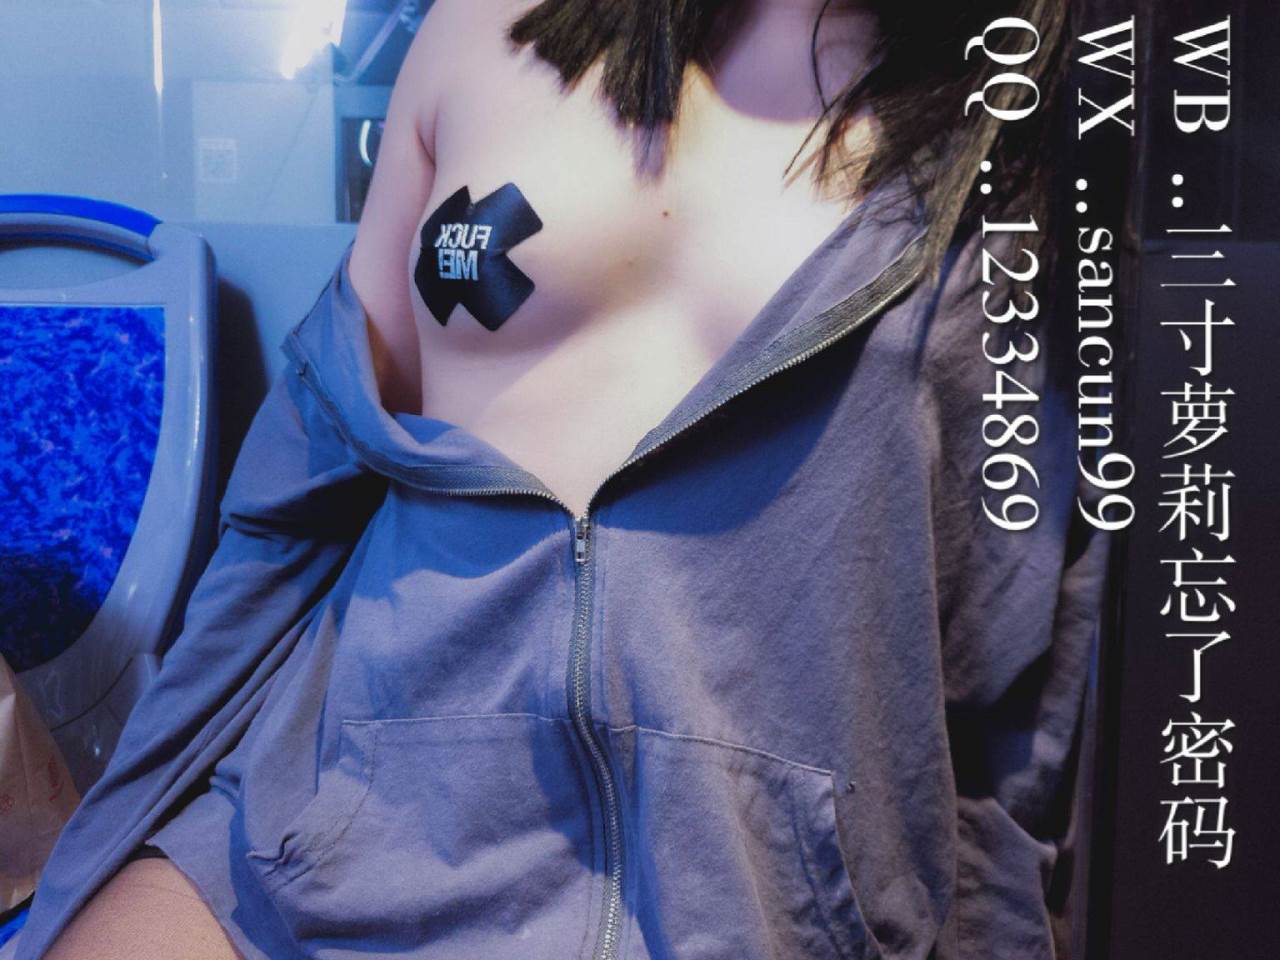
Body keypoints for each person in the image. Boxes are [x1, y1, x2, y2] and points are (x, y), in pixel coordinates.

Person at [14, 1, 1107, 959]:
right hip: (335, 825)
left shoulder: (1029, 134)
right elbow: (298, 491)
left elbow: (1014, 676)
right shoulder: (484, 30)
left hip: (750, 894)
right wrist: (106, 846)